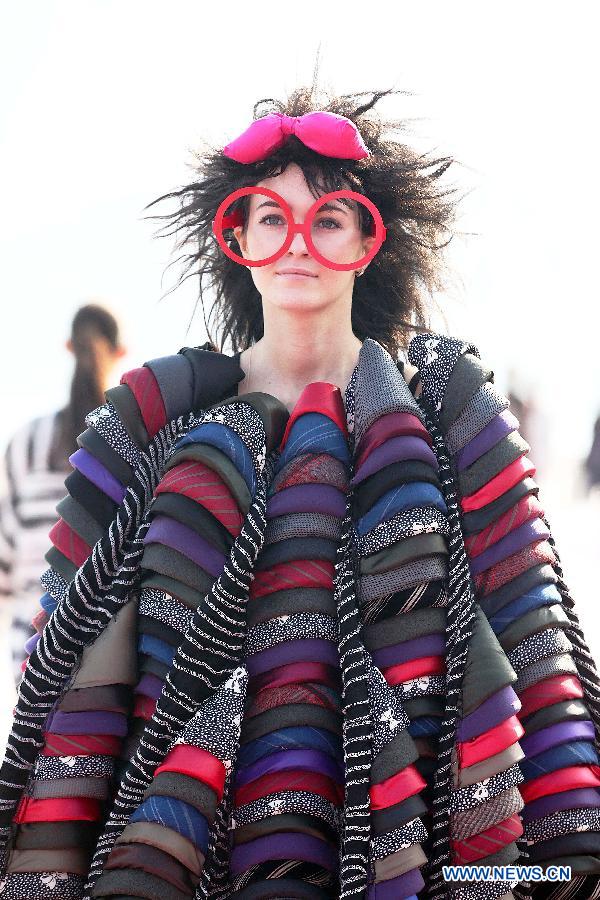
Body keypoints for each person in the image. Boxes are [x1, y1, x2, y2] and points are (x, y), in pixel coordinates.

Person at [0, 85, 599, 900]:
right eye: (271, 216)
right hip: (185, 845)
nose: (298, 242)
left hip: (419, 845)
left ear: (368, 239)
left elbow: (531, 631)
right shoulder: (148, 426)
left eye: (329, 218)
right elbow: (68, 655)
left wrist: (575, 862)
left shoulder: (454, 412)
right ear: (238, 237)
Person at [0, 304, 125, 687]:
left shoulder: (28, 443)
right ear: (120, 352)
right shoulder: (132, 443)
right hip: (109, 648)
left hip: (29, 645)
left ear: (69, 346)